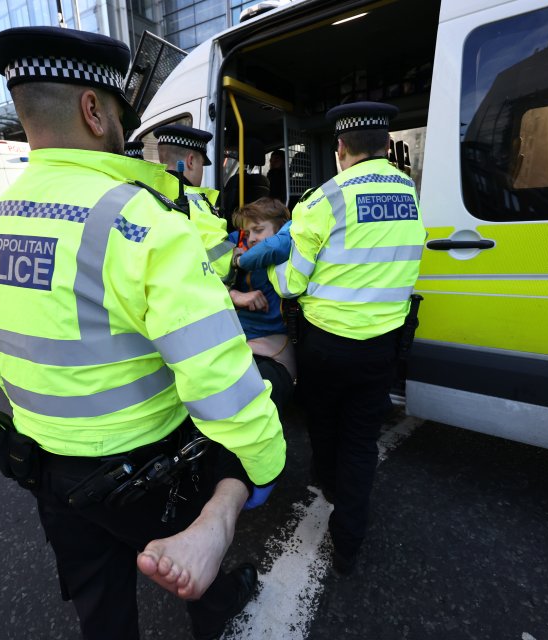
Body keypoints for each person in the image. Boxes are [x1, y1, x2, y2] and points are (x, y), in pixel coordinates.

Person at [0, 26, 285, 640]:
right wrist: (258, 470)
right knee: (191, 561)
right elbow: (219, 376)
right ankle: (217, 583)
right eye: (120, 109)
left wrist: (14, 435)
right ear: (94, 110)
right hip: (148, 468)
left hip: (48, 467)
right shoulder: (141, 220)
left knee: (100, 605)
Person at [267, 101, 426, 575]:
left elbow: (292, 284)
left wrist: (271, 266)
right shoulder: (411, 195)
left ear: (340, 148)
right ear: (385, 144)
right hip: (383, 346)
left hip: (327, 345)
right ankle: (349, 546)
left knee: (323, 419)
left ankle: (326, 482)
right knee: (361, 440)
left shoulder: (322, 200)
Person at [227, 198, 295, 413]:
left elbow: (279, 242)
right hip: (236, 342)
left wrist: (238, 260)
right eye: (247, 234)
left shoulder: (289, 244)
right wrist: (233, 294)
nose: (252, 239)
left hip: (272, 347)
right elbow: (200, 279)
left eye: (258, 230)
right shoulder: (238, 245)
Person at [154, 124, 234, 281]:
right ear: (190, 161)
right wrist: (236, 256)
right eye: (202, 164)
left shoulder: (143, 191)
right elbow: (222, 267)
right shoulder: (194, 201)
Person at [220, 138, 271, 228]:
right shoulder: (264, 181)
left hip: (235, 225)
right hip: (258, 223)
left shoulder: (235, 181)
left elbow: (227, 207)